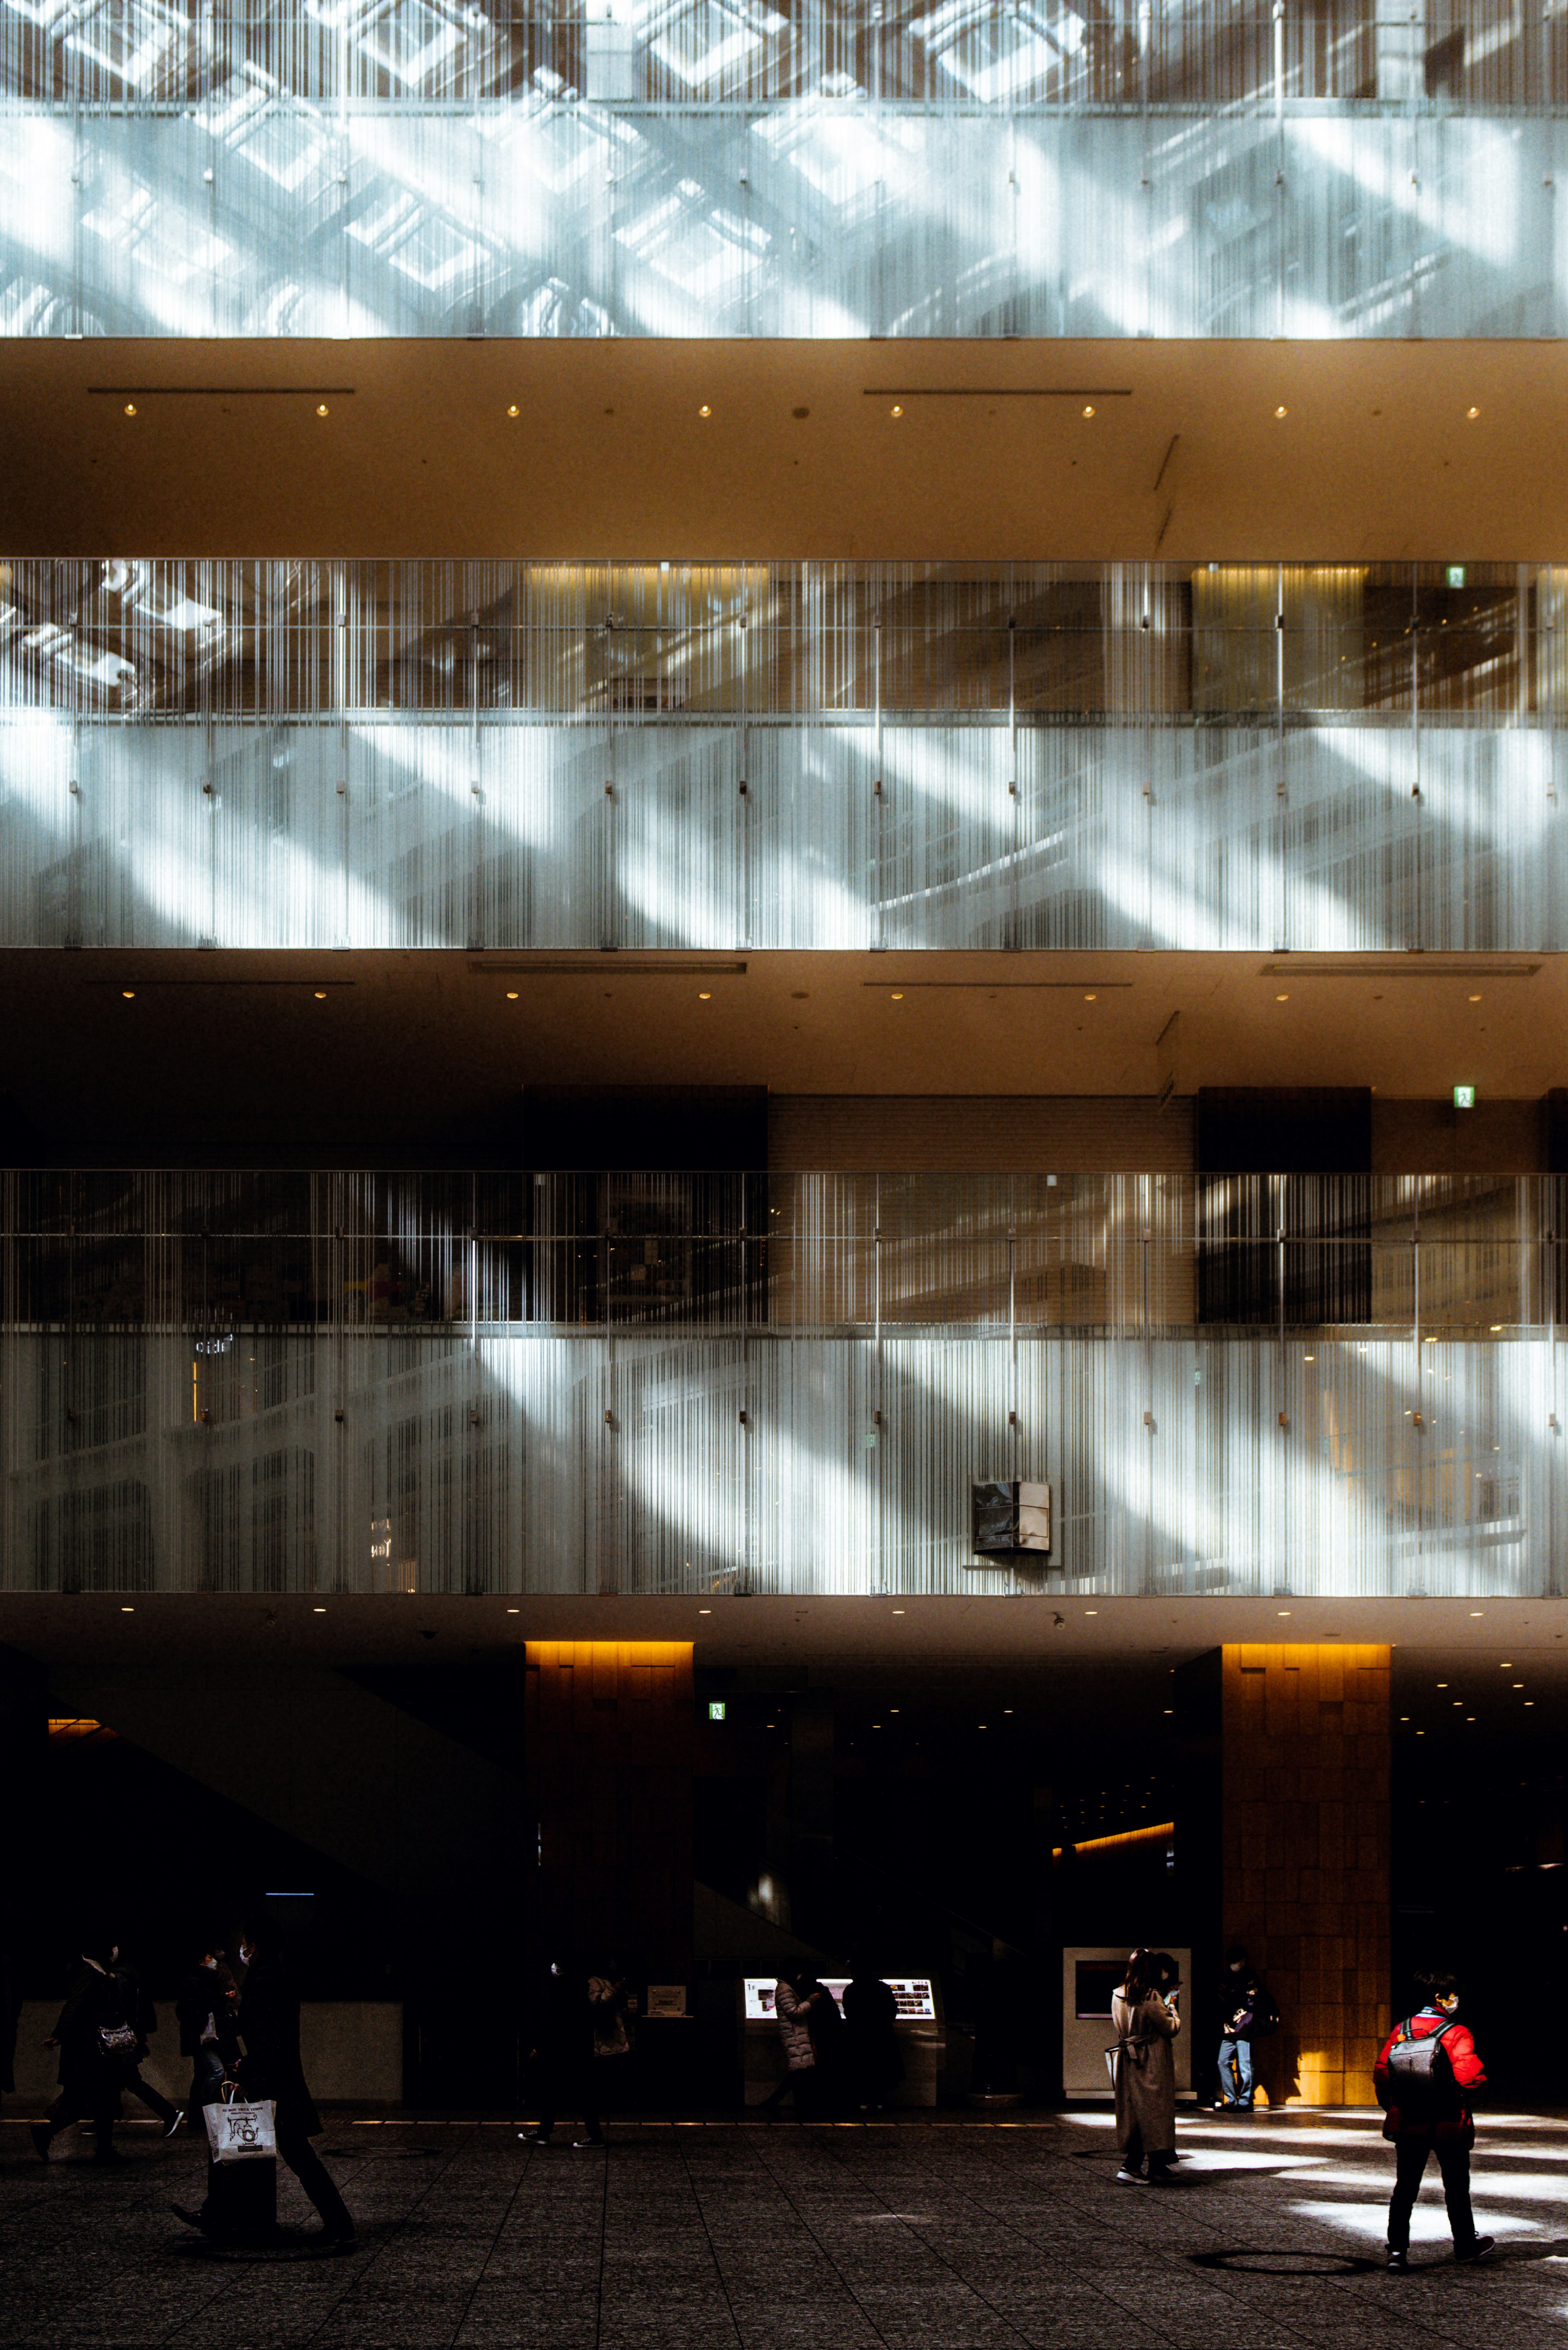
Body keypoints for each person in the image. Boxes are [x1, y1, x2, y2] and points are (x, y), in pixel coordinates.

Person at [178, 1909, 355, 2246]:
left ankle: (338, 2222)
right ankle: (221, 2212)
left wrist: (249, 2068)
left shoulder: (265, 1981)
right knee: (282, 2152)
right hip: (278, 2080)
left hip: (276, 2084)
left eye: (244, 1944)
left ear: (254, 1946)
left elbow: (270, 2039)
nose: (241, 1949)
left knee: (290, 2153)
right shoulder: (273, 1976)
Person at [1375, 1967, 1494, 2272]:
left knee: (1405, 2188)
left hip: (1410, 2120)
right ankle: (1466, 2245)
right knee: (1456, 2187)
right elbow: (1471, 2080)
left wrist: (1396, 2107)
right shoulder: (1457, 2032)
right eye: (1453, 1995)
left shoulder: (1403, 2029)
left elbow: (1382, 2073)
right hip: (1447, 2122)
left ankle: (1397, 2251)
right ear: (1440, 1998)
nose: (1457, 2000)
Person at [31, 1934, 140, 2166]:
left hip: (97, 2049)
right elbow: (75, 2005)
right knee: (97, 2097)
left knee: (96, 2098)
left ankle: (101, 2148)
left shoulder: (98, 1973)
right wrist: (59, 2035)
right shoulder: (89, 1972)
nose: (115, 1951)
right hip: (90, 2049)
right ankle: (99, 2149)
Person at [1111, 1947, 1181, 2184]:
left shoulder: (1117, 1994)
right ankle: (1131, 2166)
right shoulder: (1150, 1996)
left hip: (1127, 2060)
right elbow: (1170, 2028)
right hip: (1150, 2060)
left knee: (1135, 2110)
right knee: (1152, 2112)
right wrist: (1171, 2005)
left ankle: (1158, 2165)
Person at [519, 1959, 603, 2147]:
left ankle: (547, 2132)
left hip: (566, 2051)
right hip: (577, 2050)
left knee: (557, 2091)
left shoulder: (563, 1988)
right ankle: (547, 2132)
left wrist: (541, 2047)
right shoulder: (579, 1987)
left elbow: (556, 2023)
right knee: (574, 2092)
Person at [116, 1946, 185, 2138]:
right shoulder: (130, 1977)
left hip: (120, 2043)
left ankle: (169, 2113)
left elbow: (123, 2013)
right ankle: (103, 2121)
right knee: (126, 2081)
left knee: (130, 2081)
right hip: (129, 2041)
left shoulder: (118, 1978)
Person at [176, 1943, 241, 2123]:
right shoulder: (197, 1982)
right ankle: (203, 2111)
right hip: (202, 2037)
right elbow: (189, 2009)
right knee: (216, 2070)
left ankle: (199, 2116)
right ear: (201, 1962)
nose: (213, 1961)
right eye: (209, 1959)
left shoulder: (205, 1980)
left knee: (204, 2073)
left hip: (206, 2036)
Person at [1214, 1944, 1272, 2112]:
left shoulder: (1249, 1977)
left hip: (1243, 2025)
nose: (1233, 1965)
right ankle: (1235, 2100)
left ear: (1243, 1961)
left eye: (1235, 1962)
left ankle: (1244, 2101)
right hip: (1232, 2026)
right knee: (1224, 2062)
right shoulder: (1232, 1978)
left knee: (1243, 2064)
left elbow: (1252, 2001)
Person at [760, 1969, 823, 2117]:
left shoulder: (785, 1988)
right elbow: (793, 2013)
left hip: (796, 2036)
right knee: (799, 2073)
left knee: (800, 2073)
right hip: (795, 2036)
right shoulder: (785, 1989)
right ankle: (774, 2102)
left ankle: (788, 2105)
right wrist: (809, 2002)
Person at [842, 1970, 902, 2112]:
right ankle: (878, 2100)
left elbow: (849, 2012)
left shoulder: (852, 1989)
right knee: (881, 2068)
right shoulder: (883, 1988)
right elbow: (892, 2011)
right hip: (882, 2034)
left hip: (859, 2035)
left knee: (861, 2068)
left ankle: (863, 2100)